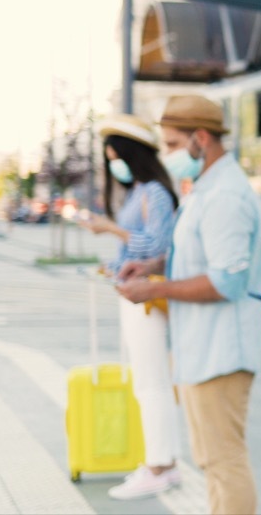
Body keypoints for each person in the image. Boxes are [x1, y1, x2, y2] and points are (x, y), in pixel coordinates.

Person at [116, 95, 261, 515]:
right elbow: (198, 254)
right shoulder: (206, 189)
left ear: (201, 139)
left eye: (170, 144)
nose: (167, 155)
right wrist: (153, 265)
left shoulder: (225, 197)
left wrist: (156, 290)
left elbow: (226, 281)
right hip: (202, 350)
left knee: (224, 463)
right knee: (212, 462)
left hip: (222, 353)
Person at [78, 113, 181, 500]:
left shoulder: (153, 191)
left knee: (150, 382)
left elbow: (155, 244)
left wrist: (111, 229)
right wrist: (116, 262)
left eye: (115, 155)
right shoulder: (141, 189)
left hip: (146, 297)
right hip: (133, 291)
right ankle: (163, 462)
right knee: (150, 381)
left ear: (131, 154)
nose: (112, 162)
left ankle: (158, 465)